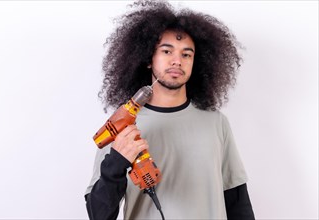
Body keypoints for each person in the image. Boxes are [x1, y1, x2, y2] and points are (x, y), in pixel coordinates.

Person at [85, 0, 255, 219]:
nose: (177, 61)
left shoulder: (216, 123)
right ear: (148, 59)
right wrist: (117, 160)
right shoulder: (122, 127)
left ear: (196, 62)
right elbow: (98, 215)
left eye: (186, 54)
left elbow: (237, 201)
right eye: (167, 51)